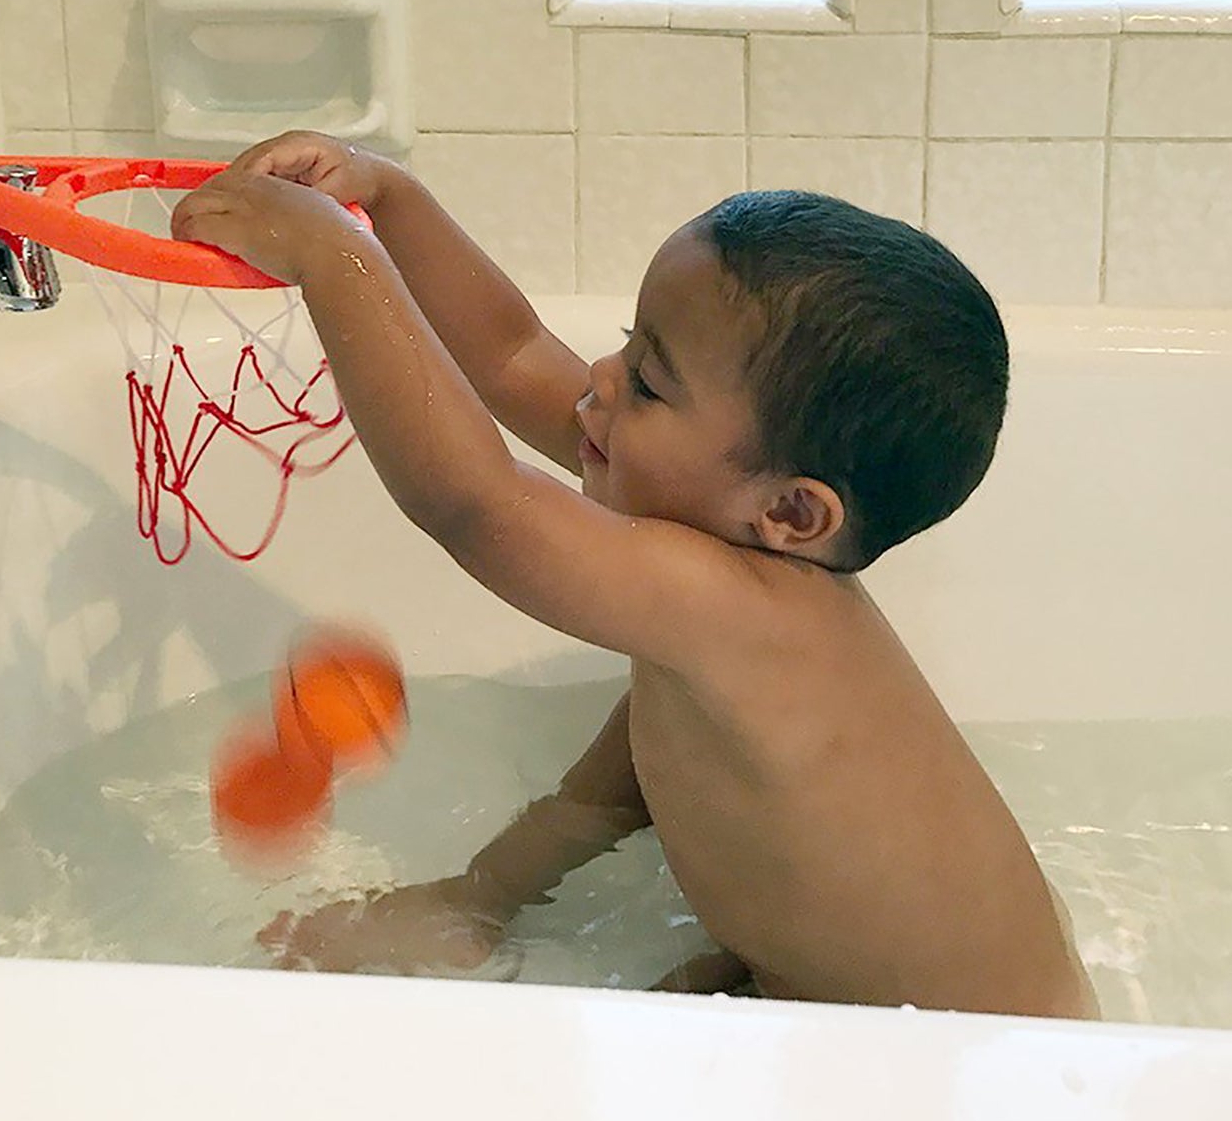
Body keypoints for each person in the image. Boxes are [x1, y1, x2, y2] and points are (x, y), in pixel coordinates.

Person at [171, 132, 1098, 1019]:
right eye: (628, 339)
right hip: (852, 986)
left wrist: (339, 264)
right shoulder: (720, 527)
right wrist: (386, 197)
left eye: (650, 382)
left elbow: (478, 506)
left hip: (953, 1041)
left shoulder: (749, 611)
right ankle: (480, 902)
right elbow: (510, 353)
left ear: (791, 513)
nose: (603, 378)